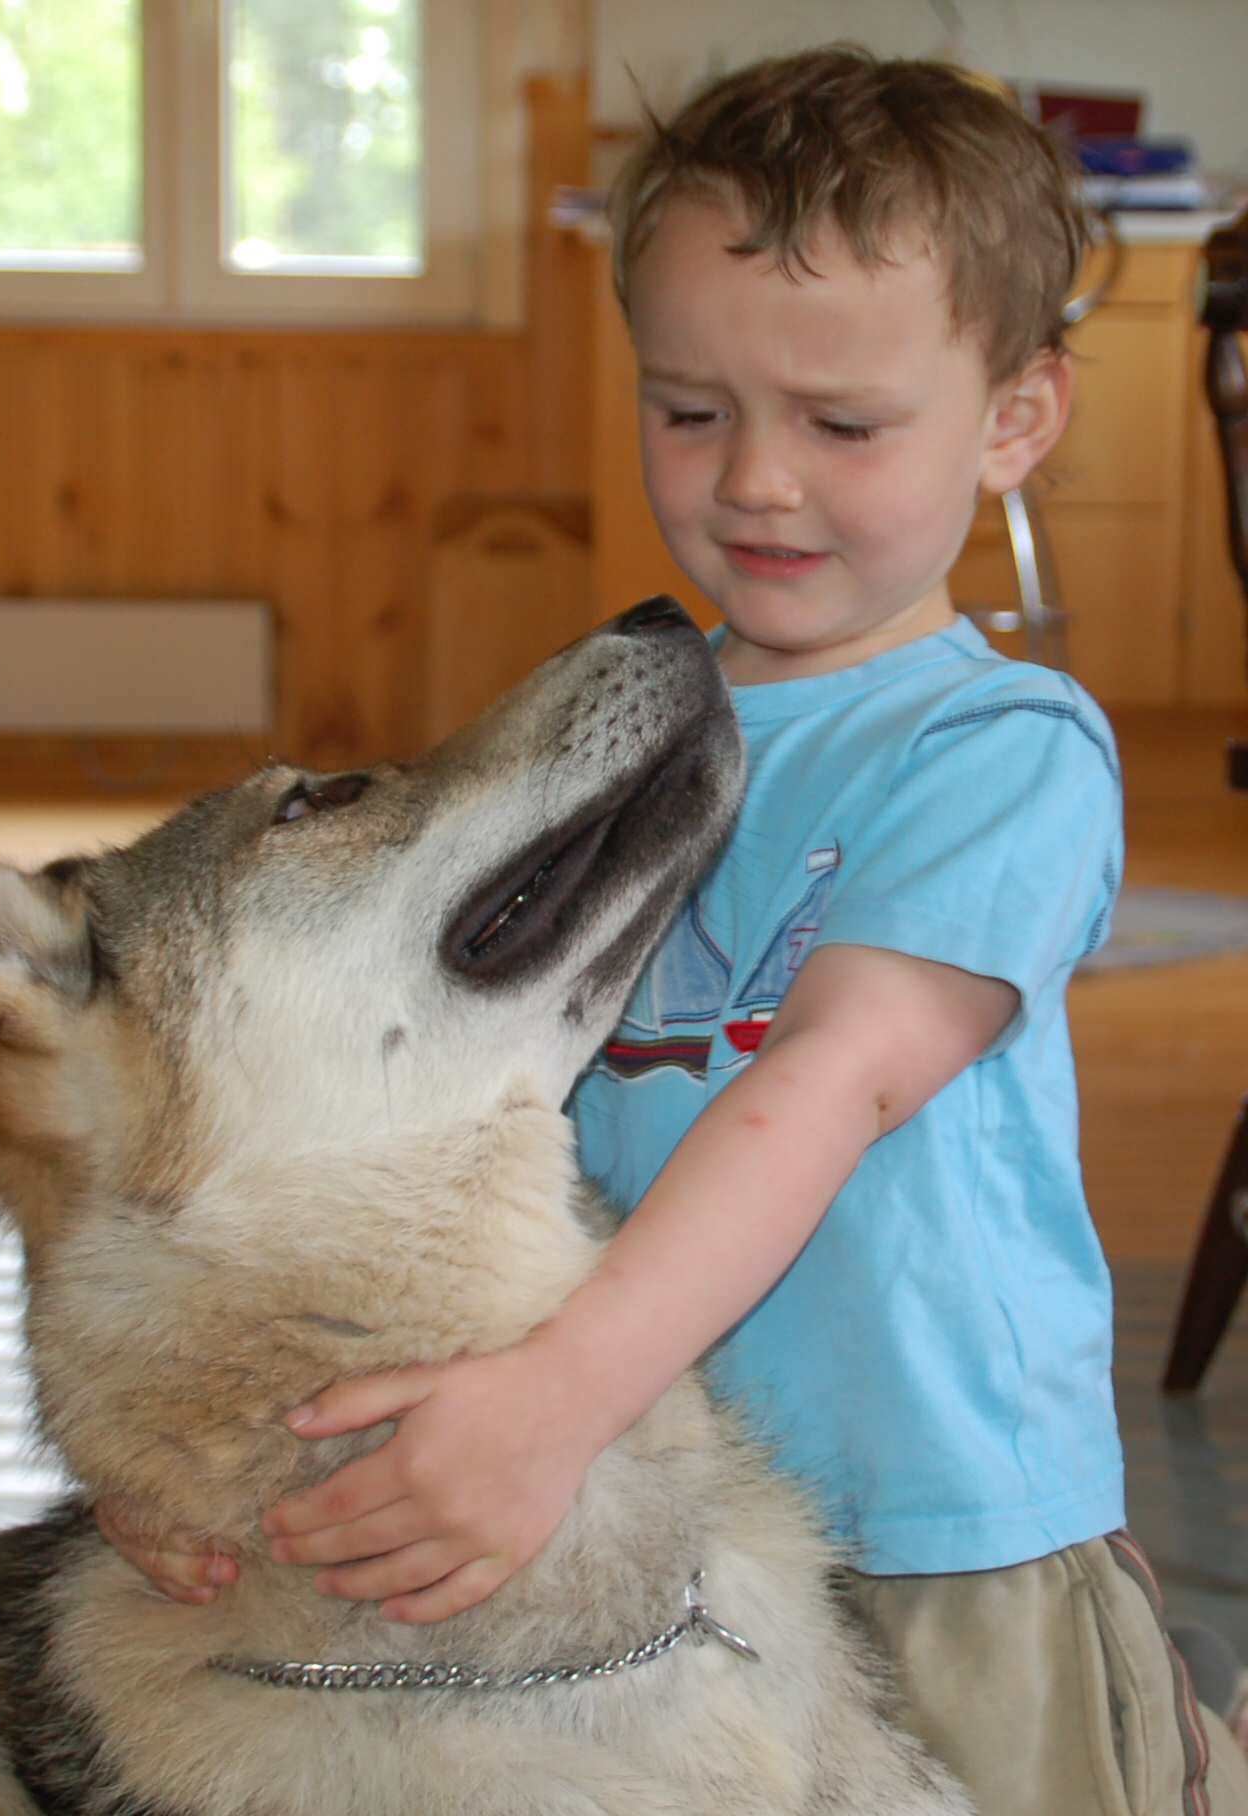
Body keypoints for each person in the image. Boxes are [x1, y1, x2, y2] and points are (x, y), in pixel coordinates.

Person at [97, 46, 1248, 1814]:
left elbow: (833, 1083)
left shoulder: (1001, 752)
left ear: (1017, 419)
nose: (756, 482)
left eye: (842, 427)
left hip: (934, 1538)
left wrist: (563, 1392)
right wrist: (214, 1463)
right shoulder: (615, 743)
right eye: (693, 411)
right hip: (644, 1526)